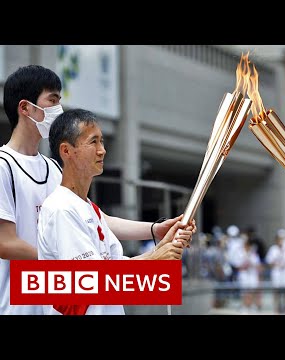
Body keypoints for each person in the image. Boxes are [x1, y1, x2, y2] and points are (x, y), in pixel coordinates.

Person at [0, 65, 195, 315]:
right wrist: (65, 258)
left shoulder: (52, 167)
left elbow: (92, 221)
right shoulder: (4, 165)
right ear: (25, 107)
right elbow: (5, 243)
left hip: (57, 299)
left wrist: (154, 230)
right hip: (18, 304)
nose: (58, 109)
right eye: (52, 100)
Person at [37, 108, 193, 315]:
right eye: (93, 142)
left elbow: (116, 267)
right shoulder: (61, 208)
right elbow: (92, 279)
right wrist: (155, 258)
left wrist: (162, 248)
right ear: (66, 151)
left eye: (102, 141)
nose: (102, 150)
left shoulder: (88, 208)